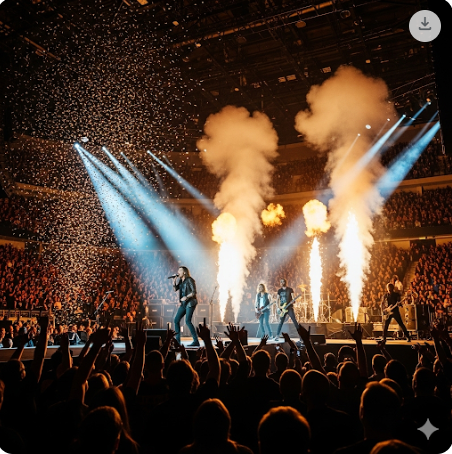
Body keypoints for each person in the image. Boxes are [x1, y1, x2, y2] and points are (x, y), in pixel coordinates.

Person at [173, 266, 199, 347]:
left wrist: (186, 297)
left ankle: (196, 341)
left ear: (184, 272)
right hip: (184, 303)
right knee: (176, 320)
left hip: (190, 302)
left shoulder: (189, 280)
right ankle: (177, 342)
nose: (178, 272)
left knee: (187, 321)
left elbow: (194, 292)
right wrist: (174, 281)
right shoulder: (181, 281)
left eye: (179, 270)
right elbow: (175, 289)